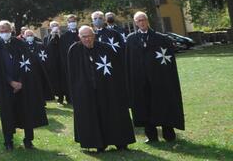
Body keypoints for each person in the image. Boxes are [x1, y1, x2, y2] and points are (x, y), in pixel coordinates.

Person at [67, 25, 135, 152]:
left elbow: (117, 69)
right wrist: (77, 92)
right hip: (86, 91)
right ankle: (98, 144)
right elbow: (73, 74)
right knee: (92, 117)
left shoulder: (106, 48)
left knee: (113, 115)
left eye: (89, 36)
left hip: (108, 89)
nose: (87, 39)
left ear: (94, 36)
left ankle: (120, 142)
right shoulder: (74, 50)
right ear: (79, 37)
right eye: (84, 37)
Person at [125, 11, 185, 143]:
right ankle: (151, 136)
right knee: (145, 106)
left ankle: (168, 134)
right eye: (139, 21)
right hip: (141, 82)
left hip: (159, 80)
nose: (142, 22)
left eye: (143, 20)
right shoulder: (131, 40)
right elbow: (129, 62)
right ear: (135, 23)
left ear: (147, 21)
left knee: (163, 104)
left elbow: (168, 61)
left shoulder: (161, 39)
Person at [0, 21, 47, 151]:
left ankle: (28, 140)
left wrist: (20, 82)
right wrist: (11, 82)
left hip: (23, 85)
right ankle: (8, 141)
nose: (4, 33)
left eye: (6, 30)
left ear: (11, 30)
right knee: (7, 114)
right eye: (1, 31)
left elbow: (28, 62)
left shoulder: (20, 43)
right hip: (5, 86)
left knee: (26, 112)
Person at [22, 29, 53, 103]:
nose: (30, 37)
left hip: (39, 69)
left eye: (31, 35)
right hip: (28, 70)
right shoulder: (22, 46)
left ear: (34, 36)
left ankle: (42, 101)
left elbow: (44, 56)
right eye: (28, 35)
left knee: (40, 85)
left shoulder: (40, 45)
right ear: (25, 36)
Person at [58, 15, 80, 104]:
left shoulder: (81, 33)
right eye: (70, 22)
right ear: (67, 23)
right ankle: (70, 98)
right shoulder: (64, 36)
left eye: (73, 21)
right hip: (69, 63)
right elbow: (62, 51)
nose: (72, 23)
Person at [43, 21, 64, 103]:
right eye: (53, 26)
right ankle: (58, 95)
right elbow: (47, 48)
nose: (55, 27)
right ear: (50, 27)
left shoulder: (62, 36)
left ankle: (64, 96)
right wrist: (53, 36)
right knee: (55, 79)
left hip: (62, 61)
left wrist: (59, 35)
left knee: (62, 79)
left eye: (56, 25)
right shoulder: (46, 37)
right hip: (52, 62)